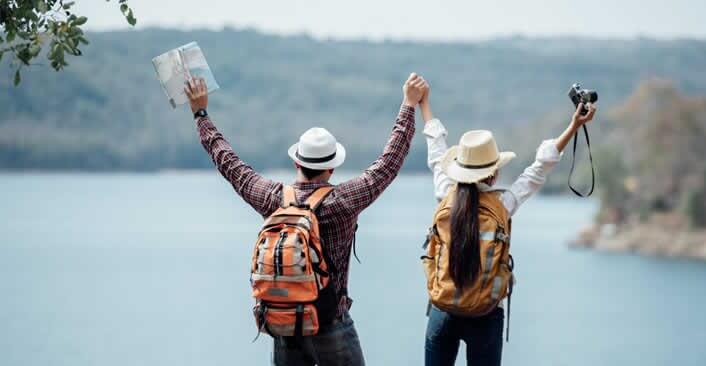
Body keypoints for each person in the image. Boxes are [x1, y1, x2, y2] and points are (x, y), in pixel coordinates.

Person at [184, 73, 429, 365]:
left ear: (297, 162)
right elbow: (388, 164)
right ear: (332, 169)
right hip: (331, 324)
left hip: (285, 325)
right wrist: (408, 105)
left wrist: (201, 114)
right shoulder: (342, 202)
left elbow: (230, 164)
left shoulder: (274, 199)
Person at [419, 87, 596, 366]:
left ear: (459, 167)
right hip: (485, 315)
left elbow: (436, 150)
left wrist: (424, 104)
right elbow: (539, 169)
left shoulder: (445, 193)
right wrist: (575, 125)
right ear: (494, 172)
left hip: (444, 309)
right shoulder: (503, 204)